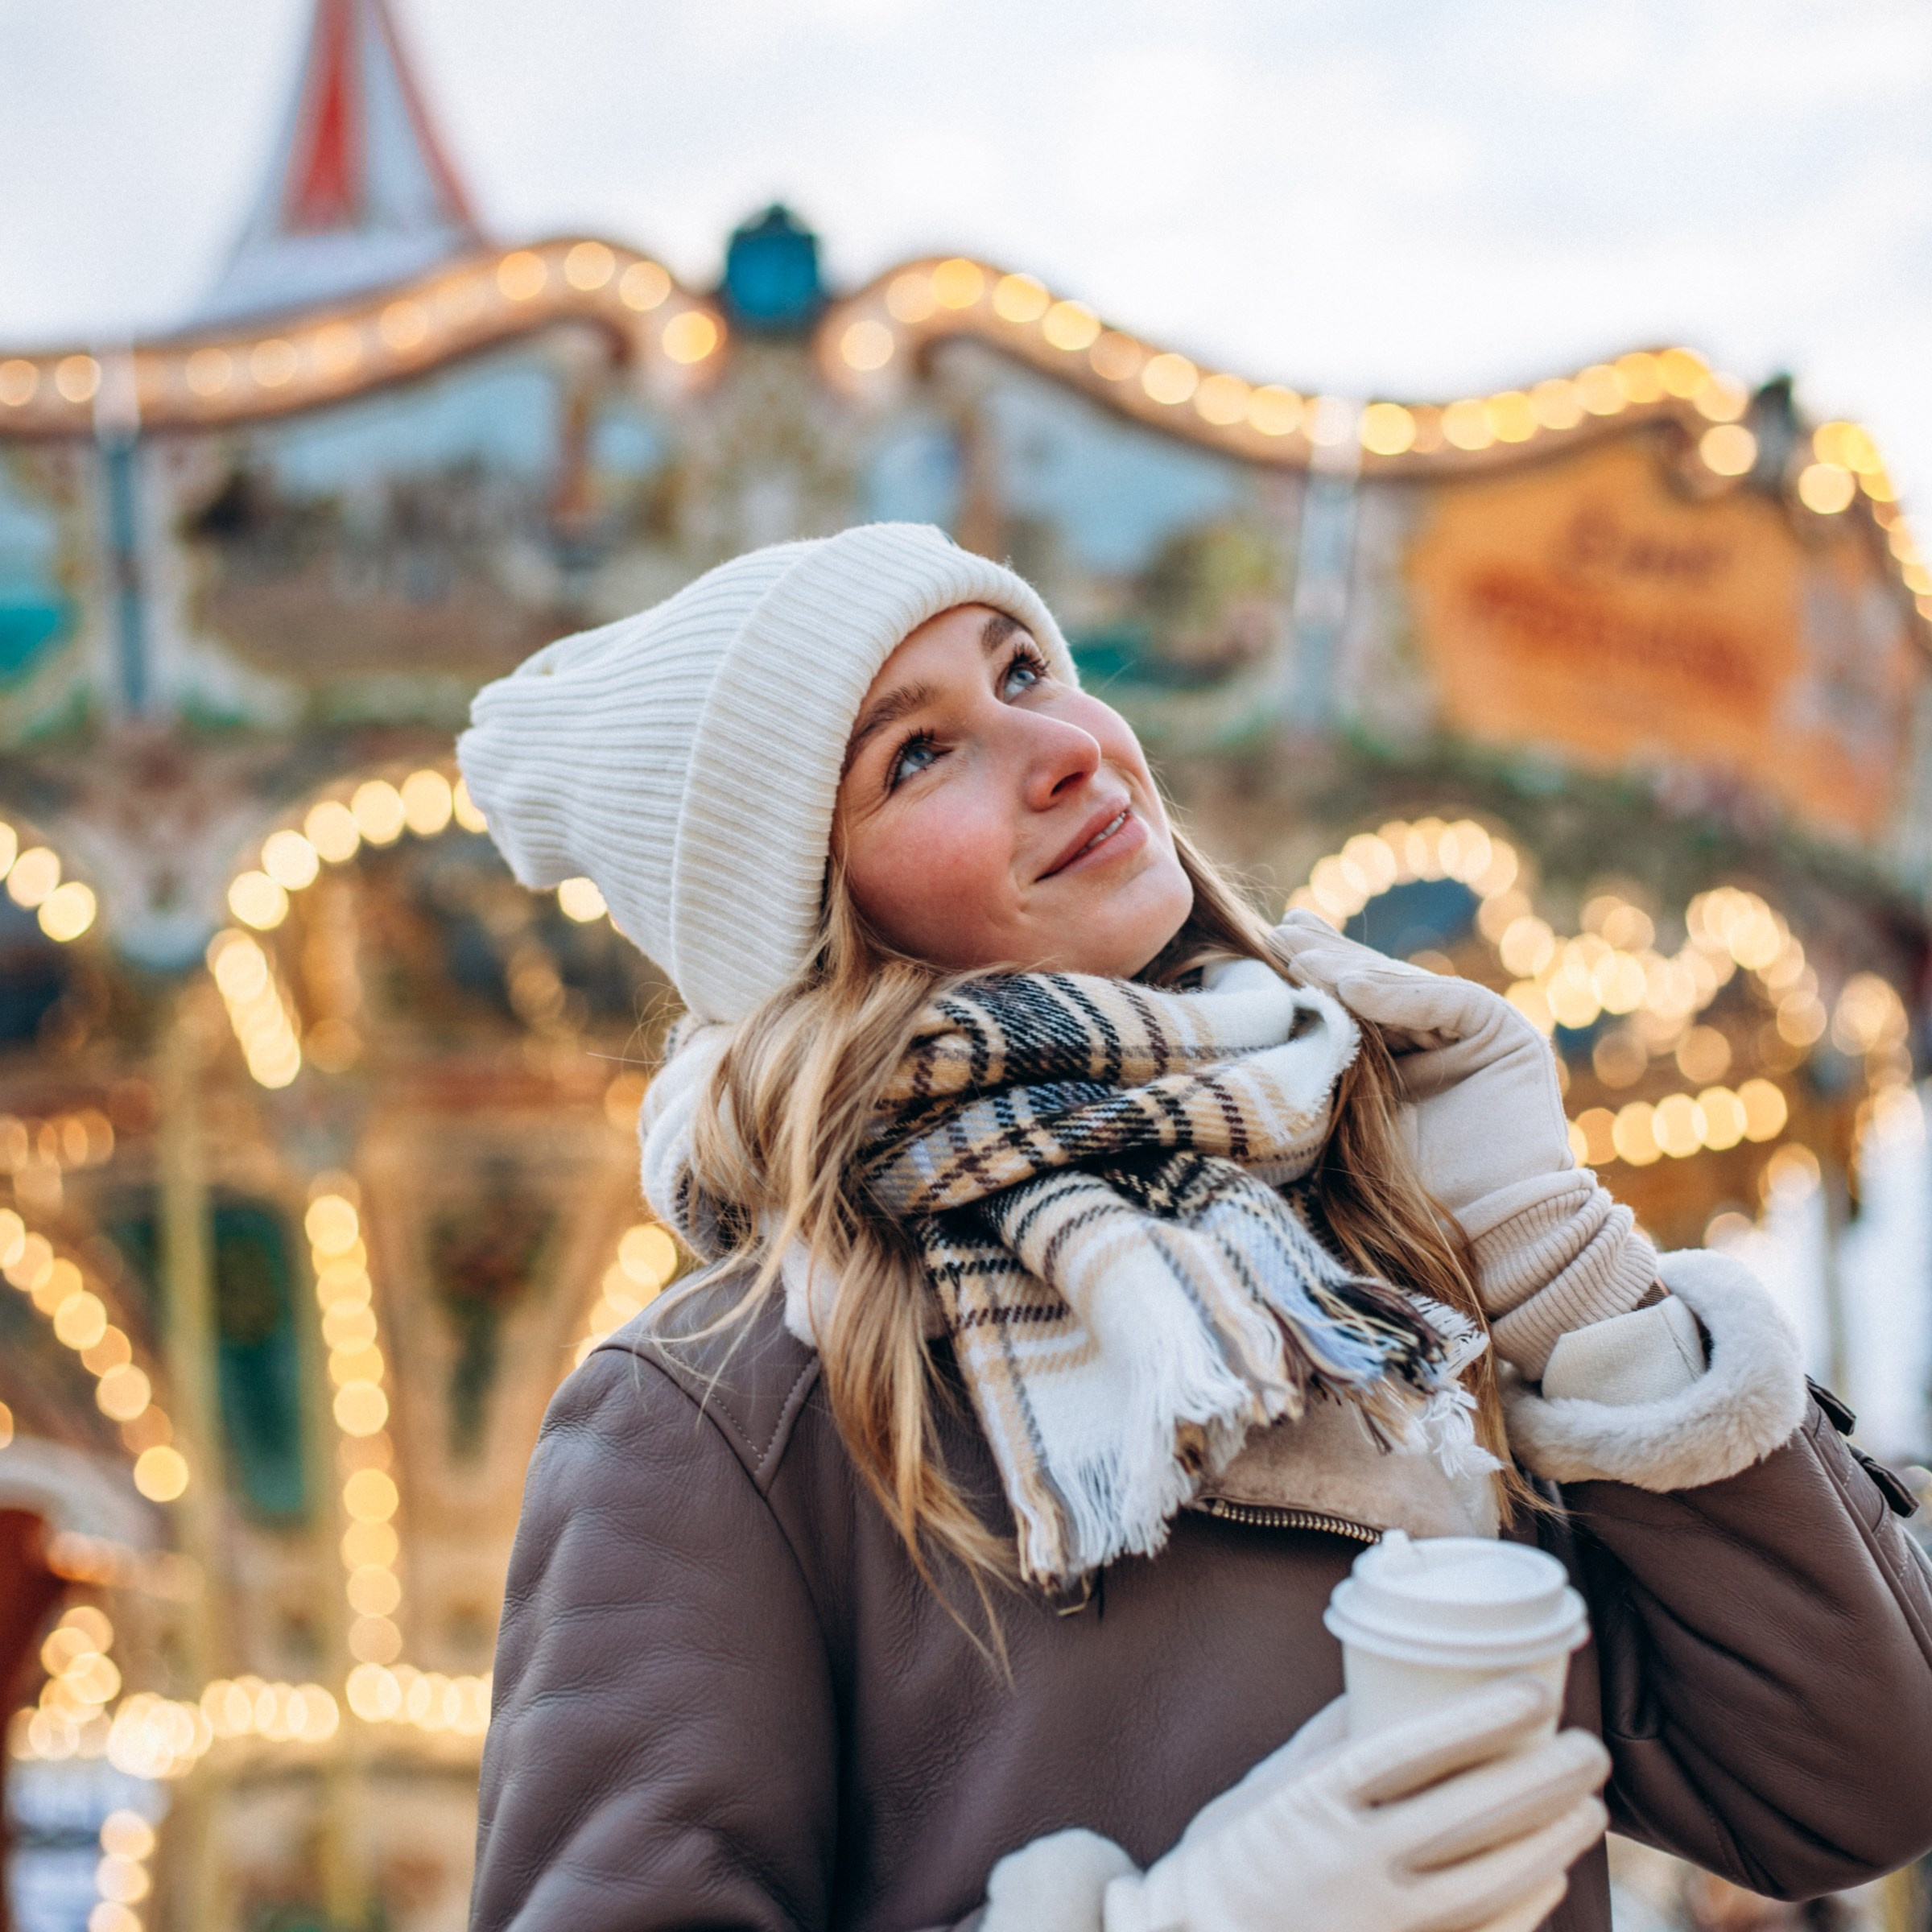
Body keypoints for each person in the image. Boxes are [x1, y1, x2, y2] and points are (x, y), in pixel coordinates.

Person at [456, 522, 1932, 1932]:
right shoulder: (721, 1411)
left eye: (1025, 668)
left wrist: (1549, 1248)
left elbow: (1844, 1781)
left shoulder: (1376, 1284)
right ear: (811, 923)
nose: (1064, 749)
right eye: (918, 755)